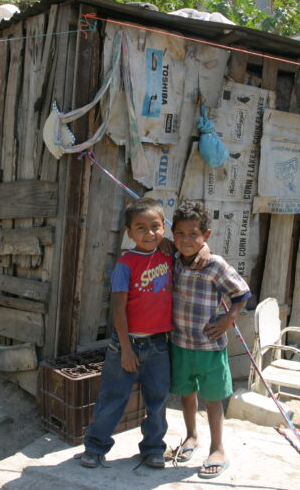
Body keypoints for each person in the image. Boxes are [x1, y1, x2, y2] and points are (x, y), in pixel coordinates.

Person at [79, 198, 174, 469]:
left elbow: (198, 245)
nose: (149, 233)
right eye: (141, 228)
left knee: (157, 400)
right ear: (129, 232)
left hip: (159, 346)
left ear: (164, 228)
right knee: (113, 398)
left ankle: (154, 448)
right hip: (126, 344)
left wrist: (171, 244)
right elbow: (118, 309)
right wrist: (126, 349)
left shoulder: (169, 255)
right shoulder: (126, 263)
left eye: (155, 226)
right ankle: (95, 447)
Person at [169, 200, 251, 479]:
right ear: (172, 234)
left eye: (194, 234)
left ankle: (218, 449)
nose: (186, 240)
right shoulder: (173, 260)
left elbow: (242, 293)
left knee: (212, 398)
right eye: (180, 234)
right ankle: (191, 436)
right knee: (186, 393)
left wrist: (229, 319)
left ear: (206, 235)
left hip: (209, 346)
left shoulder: (214, 264)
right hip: (180, 343)